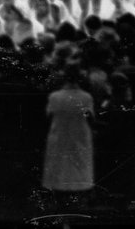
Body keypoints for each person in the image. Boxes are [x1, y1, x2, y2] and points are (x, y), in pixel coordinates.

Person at [41, 65, 96, 209]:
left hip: (59, 132)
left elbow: (49, 116)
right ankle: (80, 195)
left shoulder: (55, 96)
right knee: (79, 162)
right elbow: (90, 117)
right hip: (80, 133)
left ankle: (59, 195)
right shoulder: (86, 97)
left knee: (59, 162)